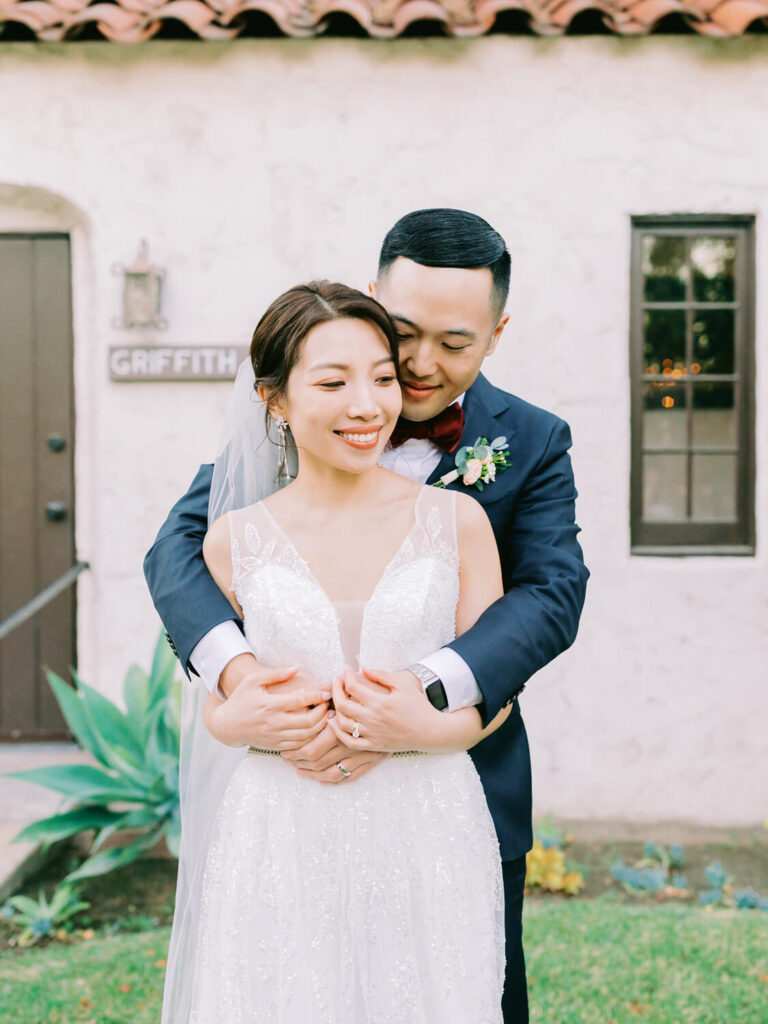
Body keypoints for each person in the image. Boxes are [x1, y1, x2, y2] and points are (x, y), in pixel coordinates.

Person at [145, 209, 590, 1023]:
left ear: (497, 332)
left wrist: (426, 699)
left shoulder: (531, 439)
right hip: (288, 801)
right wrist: (247, 685)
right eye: (405, 332)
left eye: (454, 344)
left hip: (453, 797)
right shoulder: (304, 405)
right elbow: (176, 553)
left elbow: (551, 595)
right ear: (377, 295)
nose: (417, 367)